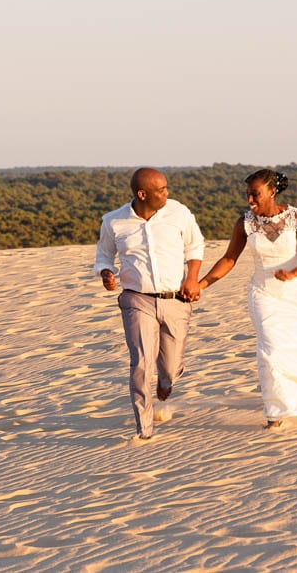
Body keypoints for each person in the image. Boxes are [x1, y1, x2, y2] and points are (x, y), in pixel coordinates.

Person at [198, 168, 297, 429]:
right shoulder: (245, 223)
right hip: (263, 295)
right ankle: (275, 414)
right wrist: (203, 284)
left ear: (272, 192)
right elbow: (229, 258)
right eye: (248, 195)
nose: (250, 200)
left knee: (291, 345)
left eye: (256, 194)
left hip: (294, 294)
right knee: (271, 351)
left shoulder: (295, 217)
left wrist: (293, 273)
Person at [94, 167, 205, 440]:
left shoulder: (179, 212)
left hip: (176, 299)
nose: (167, 193)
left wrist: (192, 278)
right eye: (161, 189)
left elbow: (195, 246)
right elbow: (103, 256)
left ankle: (167, 379)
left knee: (169, 367)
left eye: (166, 187)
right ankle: (144, 428)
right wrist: (106, 273)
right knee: (141, 362)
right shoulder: (113, 221)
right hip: (136, 299)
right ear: (142, 194)